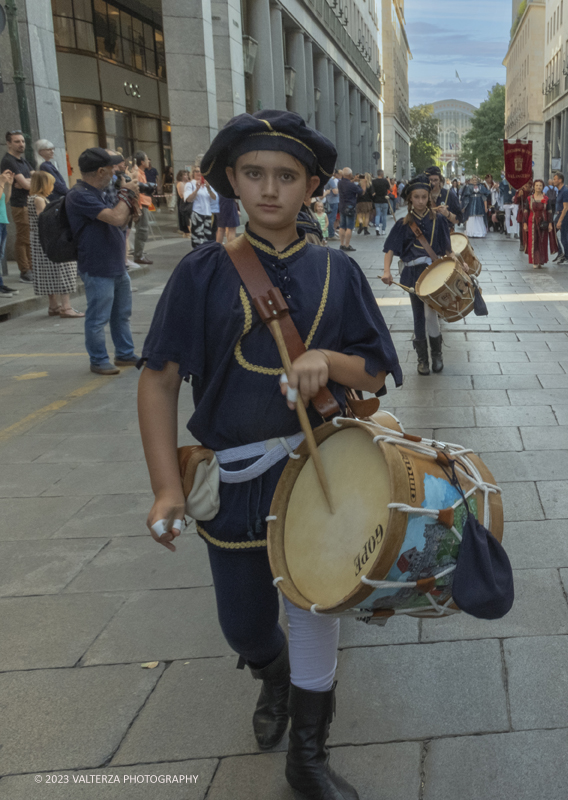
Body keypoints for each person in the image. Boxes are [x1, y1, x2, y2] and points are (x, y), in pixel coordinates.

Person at [138, 110, 400, 800]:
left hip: (313, 474)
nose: (270, 190)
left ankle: (308, 759)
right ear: (232, 178)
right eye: (254, 174)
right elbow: (159, 379)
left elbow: (373, 372)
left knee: (315, 607)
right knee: (246, 624)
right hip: (234, 483)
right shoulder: (201, 274)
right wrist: (167, 488)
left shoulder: (339, 271)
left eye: (287, 176)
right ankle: (270, 673)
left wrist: (328, 361)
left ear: (312, 185)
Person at [65, 147, 138, 375]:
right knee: (98, 318)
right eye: (112, 167)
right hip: (97, 267)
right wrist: (126, 195)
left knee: (121, 314)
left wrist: (130, 203)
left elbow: (123, 218)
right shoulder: (80, 195)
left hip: (116, 264)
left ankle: (125, 353)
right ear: (100, 171)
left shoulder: (104, 191)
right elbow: (116, 217)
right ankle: (98, 359)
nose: (116, 171)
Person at [382, 175, 450, 376]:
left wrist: (458, 261)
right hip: (412, 274)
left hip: (433, 273)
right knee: (418, 315)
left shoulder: (439, 221)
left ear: (429, 197)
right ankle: (423, 359)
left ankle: (437, 355)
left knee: (430, 314)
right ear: (410, 199)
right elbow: (390, 250)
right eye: (416, 197)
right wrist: (387, 271)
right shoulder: (403, 224)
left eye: (424, 197)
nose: (420, 201)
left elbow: (447, 248)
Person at [28, 171, 82, 317]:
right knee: (64, 268)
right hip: (48, 237)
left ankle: (53, 306)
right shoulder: (39, 200)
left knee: (47, 273)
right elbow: (43, 218)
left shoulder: (31, 198)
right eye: (50, 184)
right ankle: (66, 307)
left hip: (38, 239)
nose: (52, 187)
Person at [3, 131, 34, 282]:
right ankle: (25, 270)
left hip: (30, 203)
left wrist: (27, 183)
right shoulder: (9, 161)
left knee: (30, 236)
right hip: (19, 204)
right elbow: (26, 184)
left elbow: (38, 180)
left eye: (22, 141)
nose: (21, 144)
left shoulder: (23, 161)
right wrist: (26, 183)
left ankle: (32, 267)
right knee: (23, 237)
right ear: (9, 143)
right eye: (17, 141)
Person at [524, 178, 557, 268]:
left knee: (542, 241)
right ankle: (535, 261)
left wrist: (550, 223)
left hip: (543, 223)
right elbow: (526, 211)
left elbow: (549, 211)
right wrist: (525, 223)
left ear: (543, 187)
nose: (538, 187)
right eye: (537, 185)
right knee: (533, 241)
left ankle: (541, 260)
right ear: (534, 187)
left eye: (540, 185)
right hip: (532, 222)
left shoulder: (546, 199)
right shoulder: (529, 198)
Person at [185, 167, 218, 249]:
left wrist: (208, 188)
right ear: (193, 173)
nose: (199, 173)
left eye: (201, 172)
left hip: (208, 214)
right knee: (197, 238)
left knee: (208, 237)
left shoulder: (207, 185)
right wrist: (196, 189)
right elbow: (188, 199)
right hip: (197, 213)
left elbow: (214, 197)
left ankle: (205, 255)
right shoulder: (190, 184)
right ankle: (197, 255)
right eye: (197, 171)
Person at [0, 168, 19, 297]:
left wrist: (8, 185)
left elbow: (5, 200)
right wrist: (1, 182)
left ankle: (1, 285)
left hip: (2, 221)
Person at [550, 172, 568, 265]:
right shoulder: (559, 190)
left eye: (555, 179)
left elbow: (566, 207)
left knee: (563, 236)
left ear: (560, 180)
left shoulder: (565, 191)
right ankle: (560, 253)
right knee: (552, 232)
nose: (553, 180)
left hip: (564, 215)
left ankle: (566, 257)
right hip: (559, 214)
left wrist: (559, 221)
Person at [337, 168, 360, 251]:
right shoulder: (352, 185)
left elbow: (347, 184)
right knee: (349, 227)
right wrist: (362, 184)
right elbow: (360, 191)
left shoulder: (340, 183)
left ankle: (341, 244)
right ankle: (347, 245)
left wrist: (353, 180)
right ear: (350, 175)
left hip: (342, 206)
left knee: (342, 226)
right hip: (350, 206)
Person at [371, 170, 391, 235]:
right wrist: (388, 181)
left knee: (378, 214)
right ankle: (383, 230)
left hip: (377, 200)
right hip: (385, 200)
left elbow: (372, 191)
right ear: (382, 174)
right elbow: (391, 189)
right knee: (384, 216)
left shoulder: (373, 181)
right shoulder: (385, 181)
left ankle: (377, 227)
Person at [174, 170, 192, 238]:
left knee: (188, 217)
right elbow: (181, 195)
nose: (186, 176)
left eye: (187, 175)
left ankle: (188, 231)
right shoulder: (180, 183)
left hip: (188, 201)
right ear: (181, 176)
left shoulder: (188, 183)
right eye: (184, 175)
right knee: (185, 217)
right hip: (183, 202)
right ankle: (187, 232)